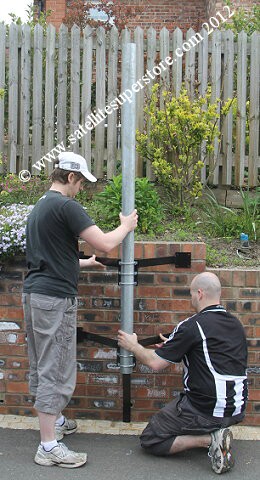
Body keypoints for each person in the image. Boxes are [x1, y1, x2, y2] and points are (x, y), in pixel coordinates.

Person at [23, 151, 138, 468]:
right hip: (54, 299)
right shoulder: (66, 206)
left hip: (35, 295)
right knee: (55, 368)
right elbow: (105, 243)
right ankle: (48, 446)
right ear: (70, 177)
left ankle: (54, 421)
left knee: (41, 362)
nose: (81, 189)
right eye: (81, 182)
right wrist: (126, 225)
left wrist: (81, 262)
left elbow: (50, 253)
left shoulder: (42, 206)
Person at [118, 272, 248, 475]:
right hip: (236, 409)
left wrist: (133, 346)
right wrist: (173, 347)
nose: (191, 300)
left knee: (151, 439)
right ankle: (215, 431)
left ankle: (209, 439)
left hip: (205, 409)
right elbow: (212, 355)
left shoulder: (192, 325)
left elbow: (155, 363)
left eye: (191, 295)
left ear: (199, 293)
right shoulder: (236, 325)